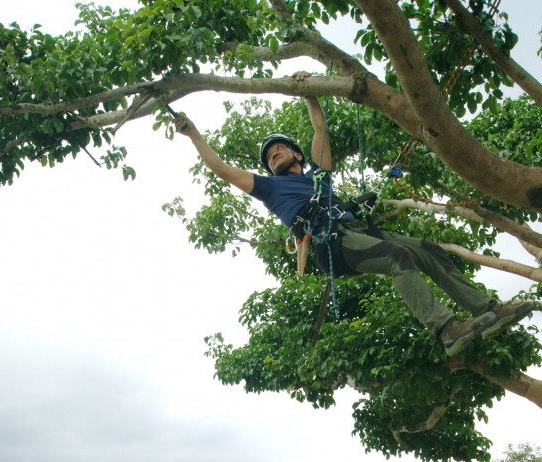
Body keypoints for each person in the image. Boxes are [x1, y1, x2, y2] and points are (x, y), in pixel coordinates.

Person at [174, 72, 533, 357]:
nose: (274, 154)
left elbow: (319, 128)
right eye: (269, 156)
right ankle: (446, 330)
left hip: (356, 229)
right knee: (398, 257)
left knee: (429, 250)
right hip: (331, 245)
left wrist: (308, 91)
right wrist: (193, 135)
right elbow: (223, 169)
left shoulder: (319, 175)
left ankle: (488, 309)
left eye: (280, 148)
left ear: (297, 155)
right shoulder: (269, 189)